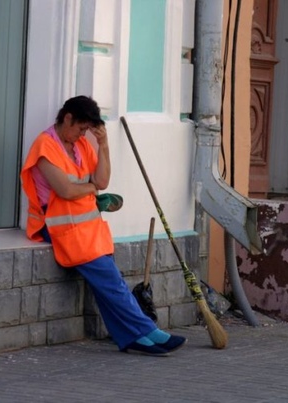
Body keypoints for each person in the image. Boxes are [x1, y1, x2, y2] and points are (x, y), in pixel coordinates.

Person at [20, 95, 187, 356]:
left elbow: (103, 181)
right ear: (67, 118)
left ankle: (129, 337)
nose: (83, 134)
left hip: (86, 228)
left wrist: (104, 145)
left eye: (87, 130)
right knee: (112, 283)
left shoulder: (81, 145)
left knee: (106, 283)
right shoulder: (45, 146)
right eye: (81, 128)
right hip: (59, 228)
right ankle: (147, 330)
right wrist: (90, 188)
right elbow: (65, 190)